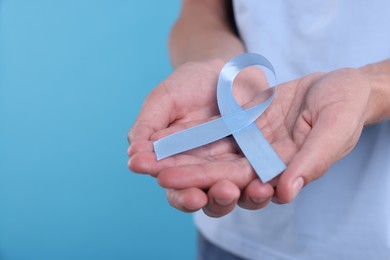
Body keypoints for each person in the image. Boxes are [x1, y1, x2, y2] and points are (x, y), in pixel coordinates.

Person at [128, 0, 390, 259]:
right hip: (234, 238)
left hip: (375, 237)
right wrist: (215, 60)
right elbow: (200, 12)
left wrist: (373, 86)